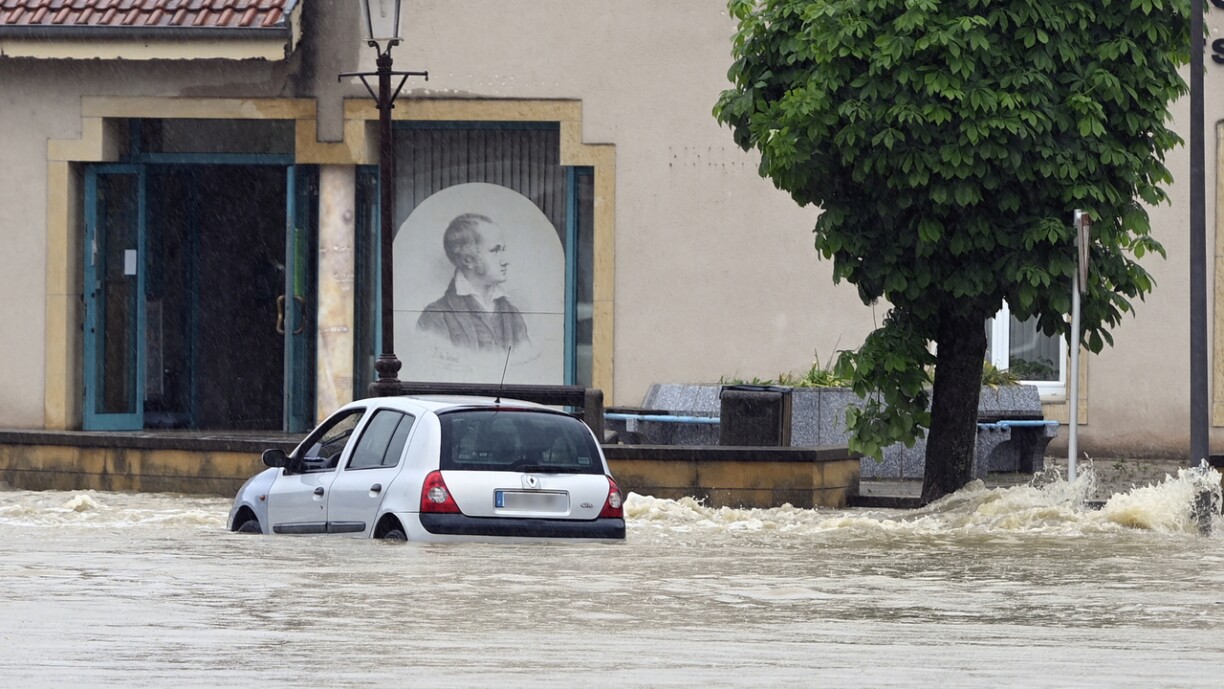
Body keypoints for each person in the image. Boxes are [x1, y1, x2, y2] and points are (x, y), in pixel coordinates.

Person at [417, 213, 530, 351]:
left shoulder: (512, 314)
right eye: (495, 251)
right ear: (468, 260)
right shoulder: (435, 316)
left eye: (503, 250)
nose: (505, 261)